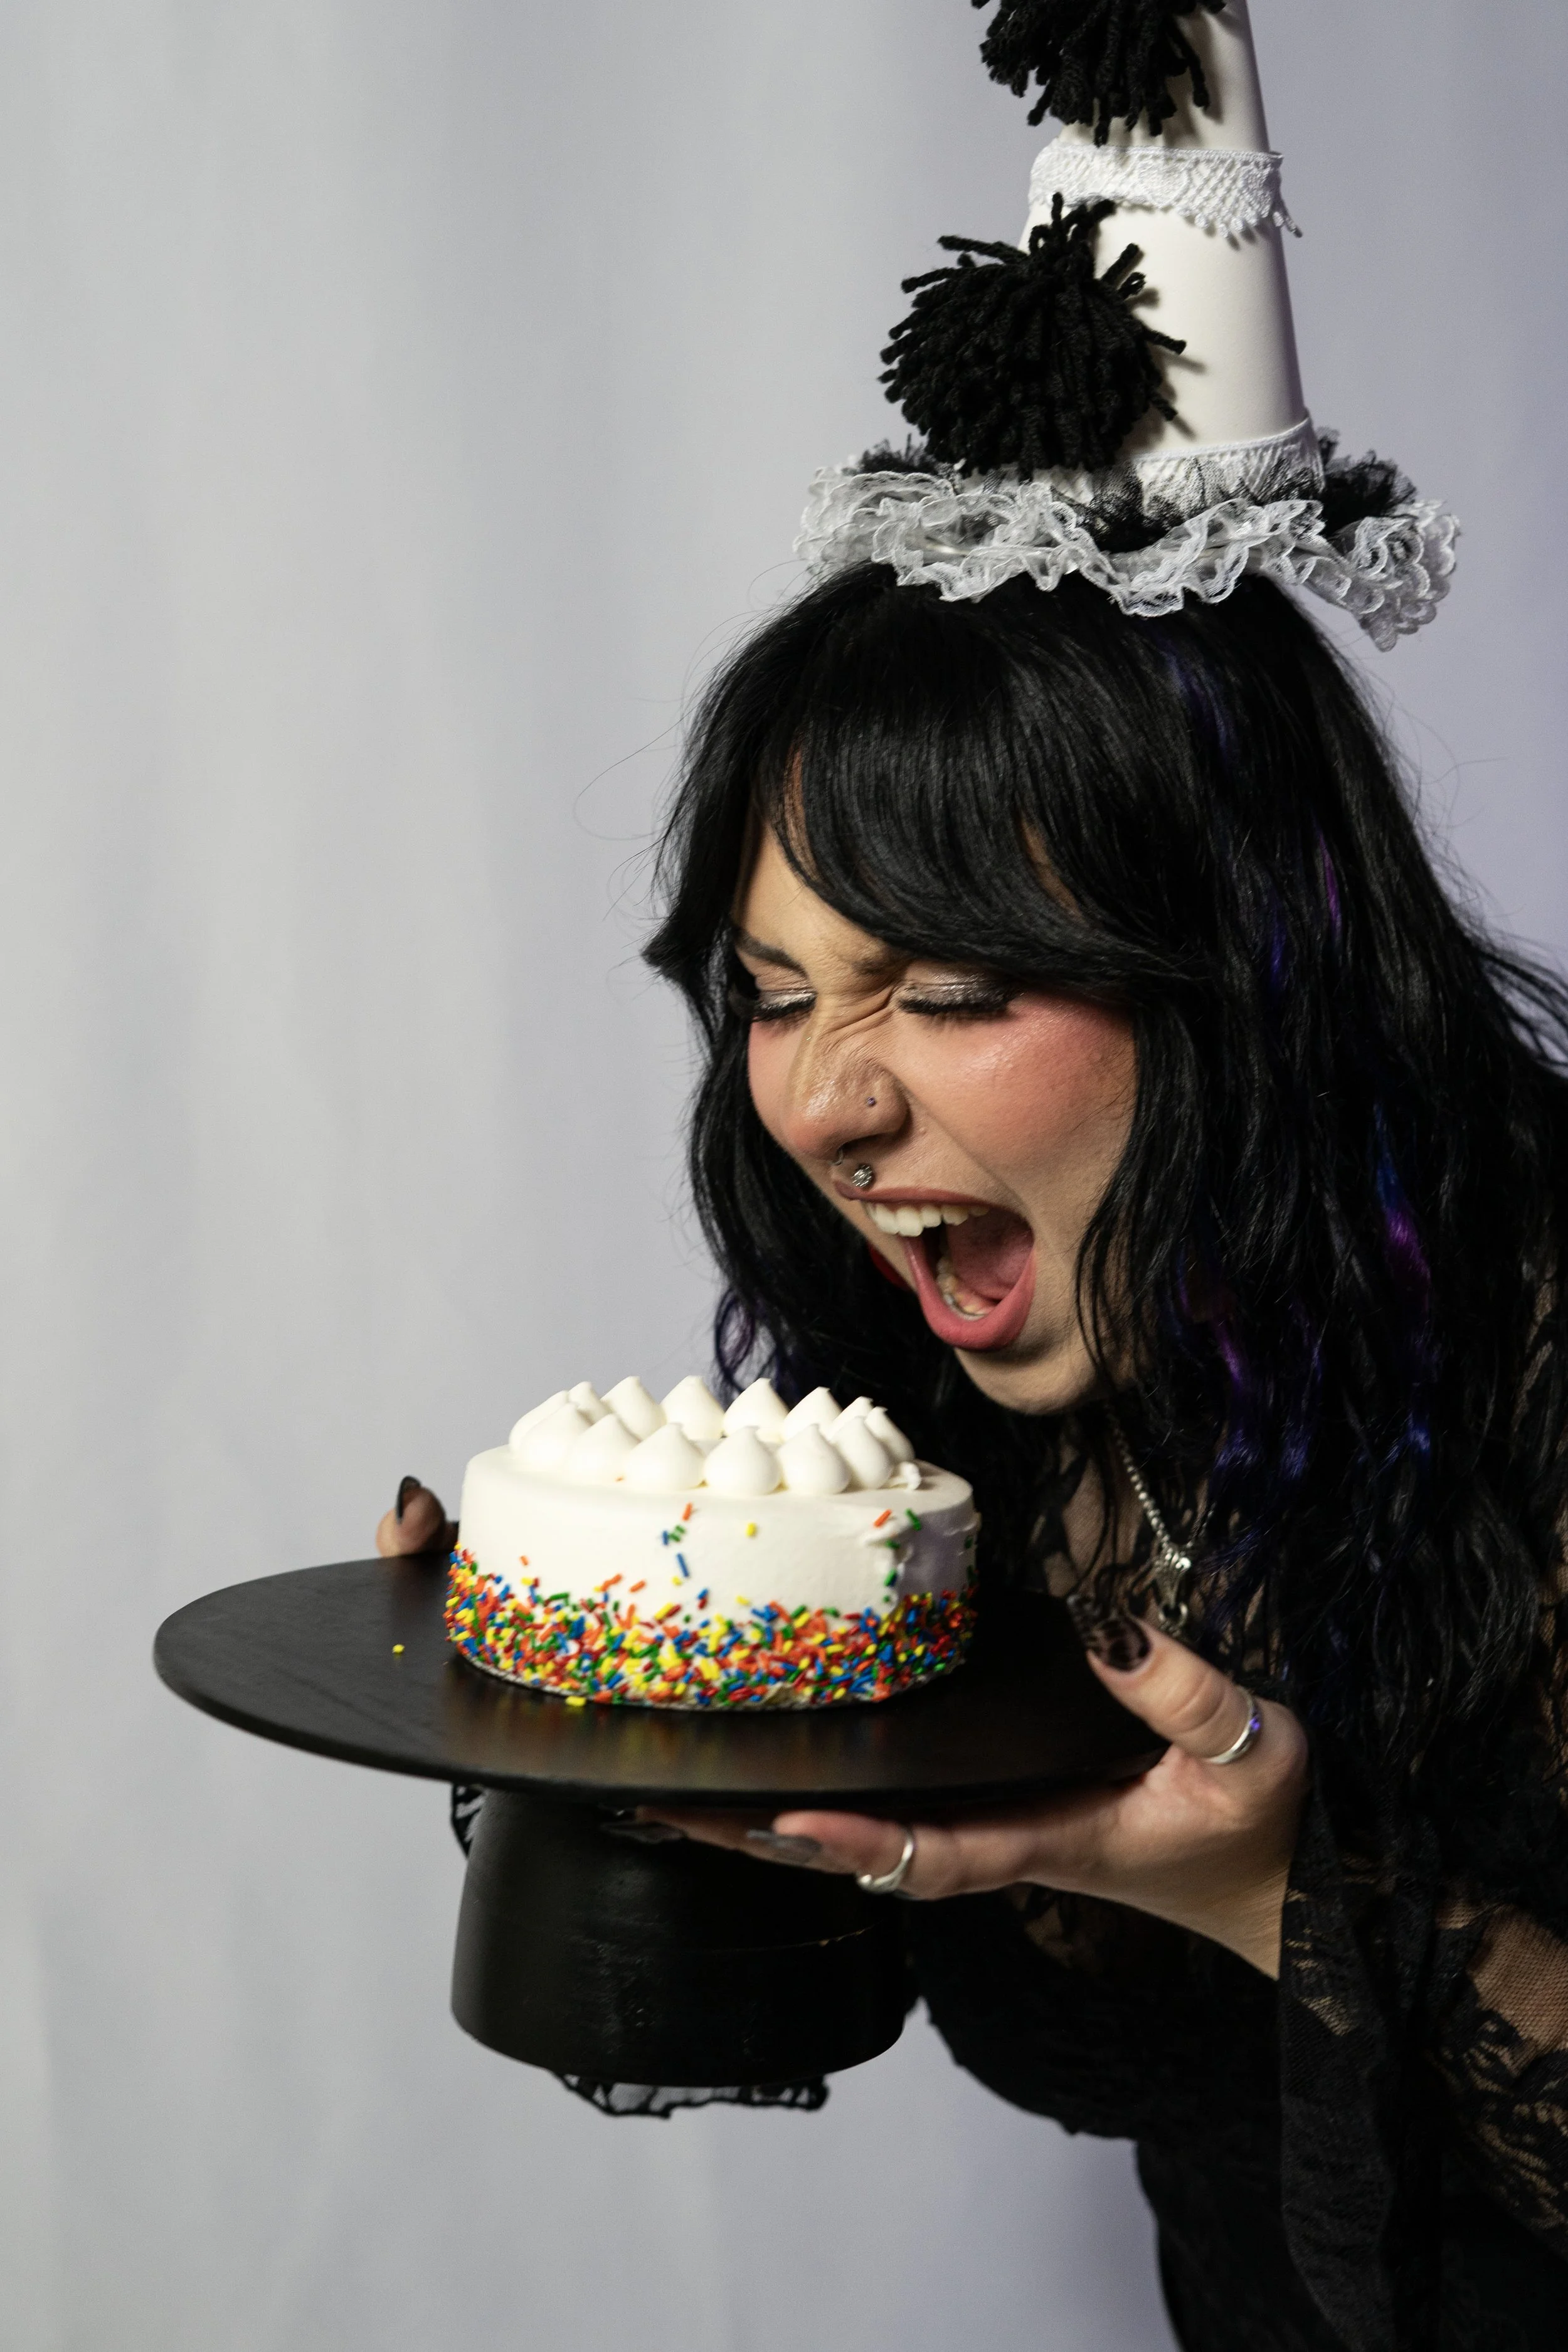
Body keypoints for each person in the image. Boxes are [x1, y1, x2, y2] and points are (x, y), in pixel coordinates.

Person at [384, 6, 1565, 2340]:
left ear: (1237, 973)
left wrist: (1271, 1895)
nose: (815, 1102)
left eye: (938, 990)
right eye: (769, 988)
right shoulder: (991, 1434)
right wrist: (637, 1747)